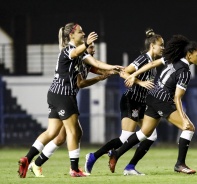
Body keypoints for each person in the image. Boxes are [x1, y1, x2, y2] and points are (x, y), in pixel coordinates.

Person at [17, 22, 123, 178]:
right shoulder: (68, 50)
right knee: (73, 132)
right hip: (64, 96)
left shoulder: (81, 54)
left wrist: (112, 68)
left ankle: (28, 158)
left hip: (56, 94)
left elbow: (96, 64)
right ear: (71, 35)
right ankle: (74, 169)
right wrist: (87, 45)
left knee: (54, 132)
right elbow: (76, 58)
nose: (83, 34)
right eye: (80, 32)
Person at [108, 35, 197, 174]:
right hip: (163, 100)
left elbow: (152, 64)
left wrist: (135, 74)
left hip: (152, 96)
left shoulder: (173, 59)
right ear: (189, 55)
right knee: (189, 128)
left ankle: (116, 153)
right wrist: (183, 119)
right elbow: (177, 97)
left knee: (144, 133)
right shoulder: (185, 72)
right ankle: (180, 164)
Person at [84, 28, 164, 176]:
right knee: (126, 137)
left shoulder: (153, 63)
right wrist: (140, 82)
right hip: (131, 100)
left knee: (151, 136)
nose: (163, 48)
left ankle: (130, 167)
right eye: (161, 45)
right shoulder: (143, 59)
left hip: (141, 103)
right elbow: (124, 72)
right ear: (153, 45)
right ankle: (93, 156)